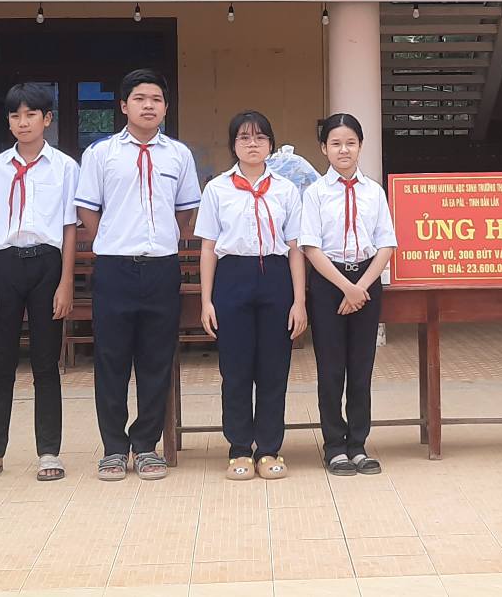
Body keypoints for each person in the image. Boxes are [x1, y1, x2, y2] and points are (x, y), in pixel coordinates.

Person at [75, 69, 200, 482]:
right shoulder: (101, 154)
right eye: (140, 98)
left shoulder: (178, 155)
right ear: (124, 105)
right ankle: (114, 447)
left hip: (162, 267)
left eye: (156, 99)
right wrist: (112, 239)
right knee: (111, 359)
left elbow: (186, 210)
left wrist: (161, 240)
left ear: (166, 107)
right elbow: (87, 208)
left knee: (156, 359)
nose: (149, 105)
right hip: (114, 268)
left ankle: (146, 445)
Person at [196, 110, 307, 480]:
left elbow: (296, 248)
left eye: (260, 137)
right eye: (244, 138)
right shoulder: (217, 189)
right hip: (232, 278)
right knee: (236, 369)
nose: (253, 144)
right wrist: (206, 300)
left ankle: (270, 447)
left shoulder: (286, 189)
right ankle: (240, 449)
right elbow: (209, 248)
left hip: (275, 277)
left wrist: (299, 301)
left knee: (274, 369)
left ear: (271, 144)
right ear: (234, 145)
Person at [0, 83, 78, 483]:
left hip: (47, 264)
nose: (23, 122)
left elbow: (69, 228)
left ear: (47, 119)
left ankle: (49, 450)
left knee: (45, 362)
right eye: (15, 116)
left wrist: (66, 282)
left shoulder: (65, 167)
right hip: (4, 264)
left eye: (31, 115)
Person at [299, 114, 396, 477]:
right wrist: (345, 286)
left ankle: (358, 444)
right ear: (324, 148)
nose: (344, 150)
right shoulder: (315, 193)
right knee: (330, 368)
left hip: (366, 281)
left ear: (361, 146)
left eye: (351, 143)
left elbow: (386, 243)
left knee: (361, 367)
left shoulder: (374, 191)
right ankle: (334, 446)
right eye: (336, 143)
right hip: (329, 284)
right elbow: (310, 246)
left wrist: (361, 286)